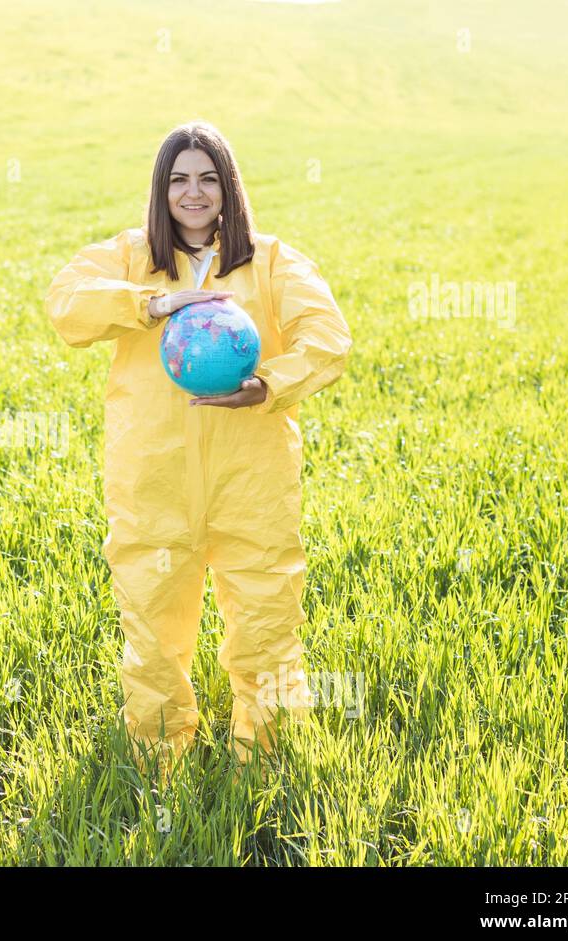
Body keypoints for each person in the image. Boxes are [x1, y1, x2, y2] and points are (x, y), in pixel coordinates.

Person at [43, 120, 352, 780]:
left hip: (253, 483)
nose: (193, 191)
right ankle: (160, 765)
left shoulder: (272, 262)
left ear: (228, 188)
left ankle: (265, 766)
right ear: (162, 190)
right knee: (154, 638)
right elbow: (65, 304)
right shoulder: (130, 259)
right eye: (179, 179)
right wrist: (151, 305)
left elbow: (328, 340)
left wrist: (267, 383)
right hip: (152, 484)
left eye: (208, 178)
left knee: (267, 632)